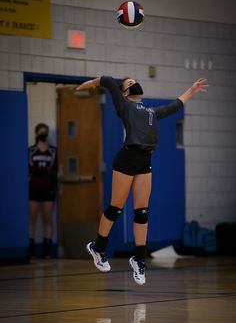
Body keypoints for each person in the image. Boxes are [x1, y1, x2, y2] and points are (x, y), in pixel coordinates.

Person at [76, 76, 208, 285]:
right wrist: (90, 84)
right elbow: (108, 81)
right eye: (130, 83)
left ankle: (139, 258)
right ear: (126, 92)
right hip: (127, 159)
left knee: (142, 212)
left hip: (145, 161)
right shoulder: (124, 104)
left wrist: (191, 90)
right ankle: (98, 247)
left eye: (135, 81)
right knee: (116, 208)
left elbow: (175, 105)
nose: (135, 83)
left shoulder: (151, 111)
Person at [28, 123, 58, 259]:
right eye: (41, 132)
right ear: (36, 134)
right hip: (33, 190)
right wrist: (43, 170)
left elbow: (54, 171)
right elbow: (29, 170)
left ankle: (46, 252)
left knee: (48, 221)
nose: (43, 134)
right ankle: (31, 251)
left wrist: (39, 170)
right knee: (32, 221)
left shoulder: (53, 151)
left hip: (48, 190)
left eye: (45, 132)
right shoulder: (31, 151)